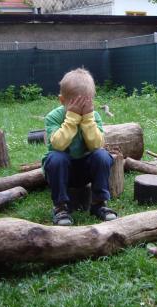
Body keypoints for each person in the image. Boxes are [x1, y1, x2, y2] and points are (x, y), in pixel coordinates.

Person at [42, 68, 118, 225]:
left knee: (102, 155)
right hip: (62, 171)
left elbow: (96, 145)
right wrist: (72, 119)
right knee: (56, 157)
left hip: (85, 169)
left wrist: (88, 120)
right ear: (62, 101)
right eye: (76, 104)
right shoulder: (53, 117)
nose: (81, 109)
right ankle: (60, 207)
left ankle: (99, 204)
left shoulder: (93, 116)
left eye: (86, 102)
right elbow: (58, 145)